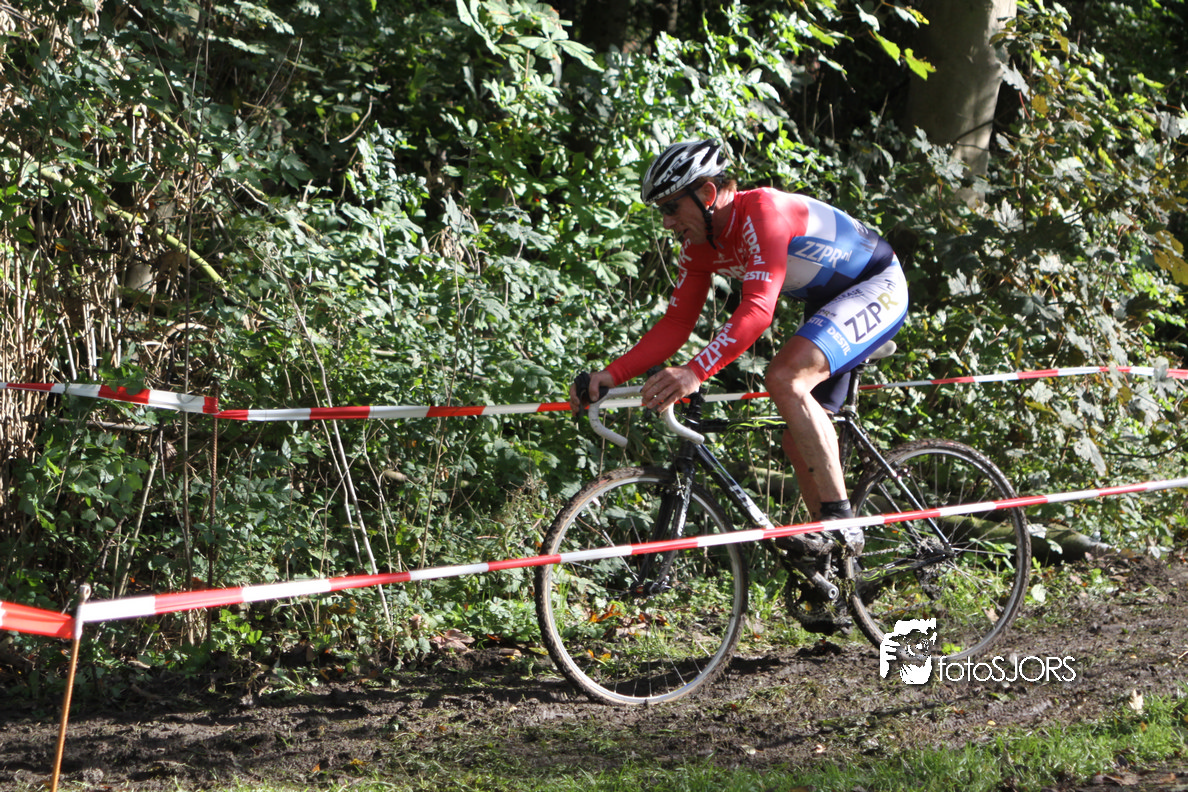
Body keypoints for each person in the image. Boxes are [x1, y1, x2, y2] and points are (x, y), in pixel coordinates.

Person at [569, 139, 909, 633]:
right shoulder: (699, 244)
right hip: (829, 301)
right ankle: (832, 566)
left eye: (671, 207)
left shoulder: (763, 212)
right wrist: (611, 374)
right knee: (795, 436)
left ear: (708, 194)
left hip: (876, 283)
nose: (666, 221)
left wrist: (694, 372)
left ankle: (843, 525)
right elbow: (677, 323)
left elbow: (757, 311)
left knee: (784, 377)